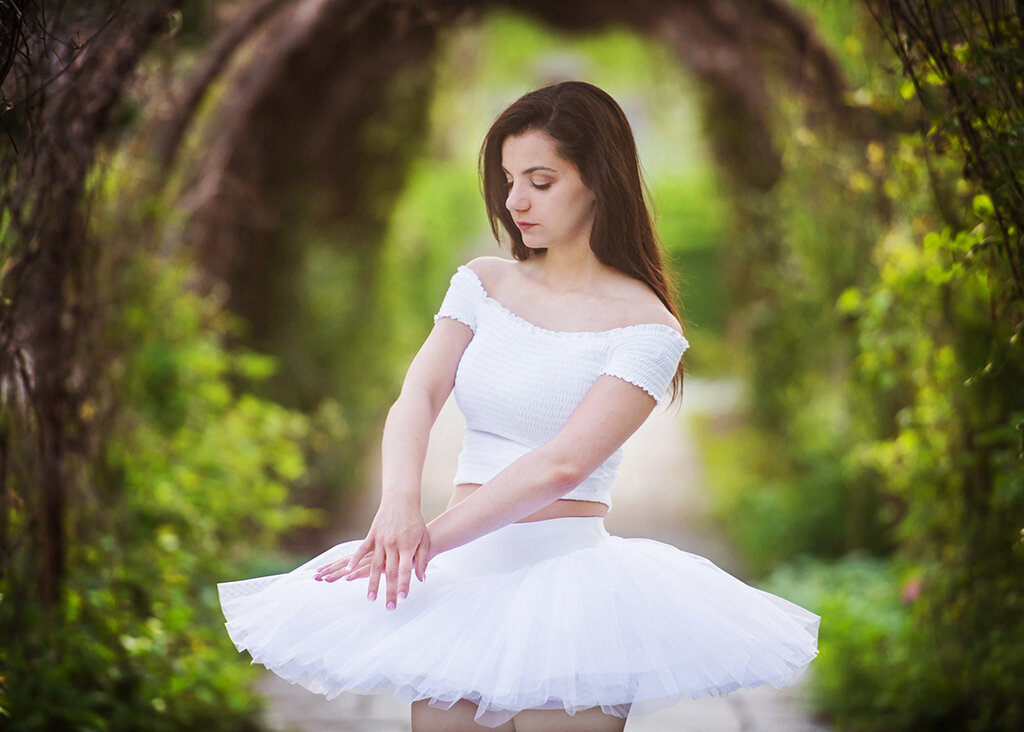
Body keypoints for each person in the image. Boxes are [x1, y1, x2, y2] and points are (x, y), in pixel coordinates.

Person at [217, 80, 819, 732]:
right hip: (461, 578)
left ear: (598, 179)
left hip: (570, 589)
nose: (514, 201)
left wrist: (422, 543)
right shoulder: (483, 283)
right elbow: (417, 395)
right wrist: (396, 506)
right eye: (508, 179)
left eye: (540, 180)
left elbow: (560, 466)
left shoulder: (648, 328)